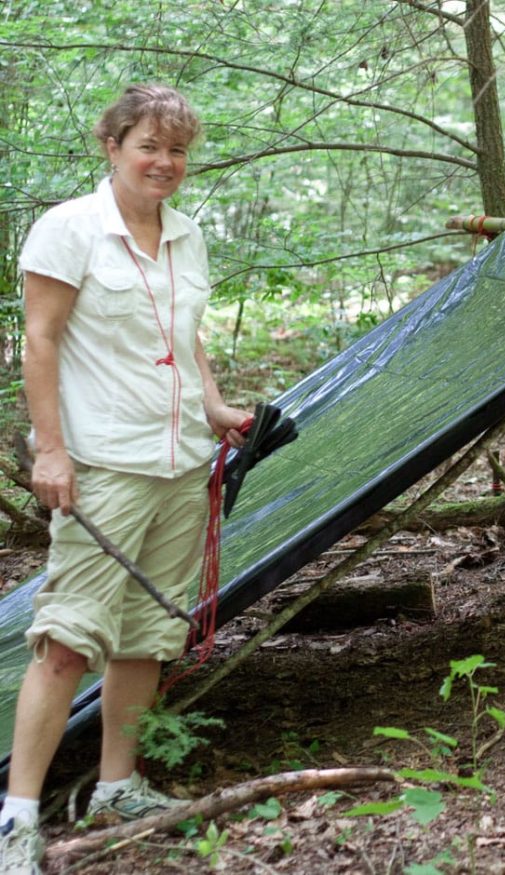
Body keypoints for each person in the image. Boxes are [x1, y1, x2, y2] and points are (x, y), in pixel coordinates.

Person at [0, 84, 249, 874]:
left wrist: (212, 405)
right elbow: (40, 342)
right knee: (69, 637)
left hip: (179, 461)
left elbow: (186, 333)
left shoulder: (187, 231)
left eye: (177, 150)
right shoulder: (68, 229)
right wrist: (51, 451)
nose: (164, 163)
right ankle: (17, 816)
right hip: (103, 463)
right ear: (112, 146)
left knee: (145, 636)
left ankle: (118, 787)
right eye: (148, 146)